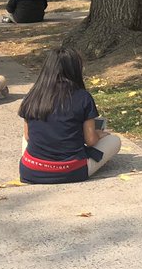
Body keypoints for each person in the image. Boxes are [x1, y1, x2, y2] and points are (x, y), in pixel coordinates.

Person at [18, 47, 121, 184]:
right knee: (114, 141)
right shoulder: (83, 97)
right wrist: (99, 134)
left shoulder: (33, 95)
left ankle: (37, 162)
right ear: (75, 70)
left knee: (27, 137)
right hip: (70, 171)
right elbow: (90, 140)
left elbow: (28, 136)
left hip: (31, 171)